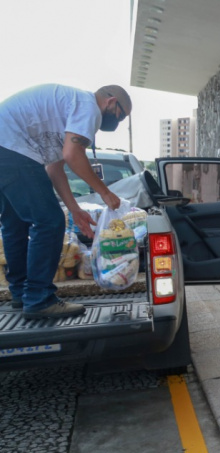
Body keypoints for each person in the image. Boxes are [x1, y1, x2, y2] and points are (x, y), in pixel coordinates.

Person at [0, 84, 130, 319]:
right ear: (111, 102)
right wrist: (105, 193)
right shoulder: (89, 107)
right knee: (49, 222)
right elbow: (73, 155)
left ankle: (21, 293)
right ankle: (39, 299)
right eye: (122, 115)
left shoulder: (69, 112)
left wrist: (75, 210)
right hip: (11, 148)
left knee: (15, 224)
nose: (118, 122)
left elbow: (55, 167)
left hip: (6, 148)